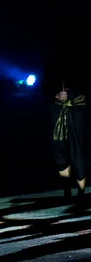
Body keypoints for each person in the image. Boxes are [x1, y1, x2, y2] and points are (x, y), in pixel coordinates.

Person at [40, 32, 89, 201]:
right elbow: (45, 86)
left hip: (77, 113)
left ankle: (81, 192)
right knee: (60, 151)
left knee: (78, 150)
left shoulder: (83, 61)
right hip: (57, 111)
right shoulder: (52, 63)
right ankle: (66, 191)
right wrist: (55, 95)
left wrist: (72, 94)